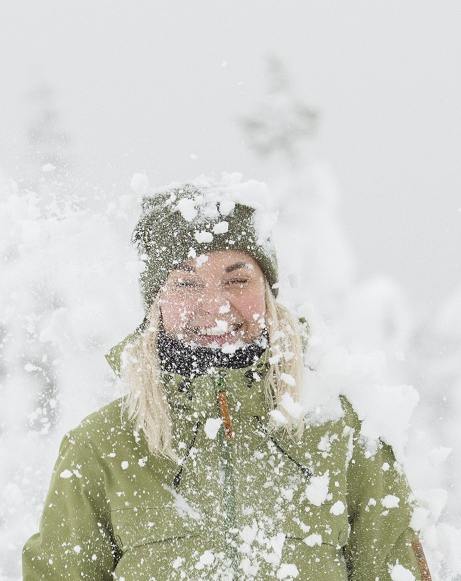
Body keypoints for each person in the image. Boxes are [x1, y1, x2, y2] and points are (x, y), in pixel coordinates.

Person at [22, 183, 430, 580]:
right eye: (185, 283)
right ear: (156, 300)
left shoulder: (341, 432)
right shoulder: (102, 446)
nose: (215, 305)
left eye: (237, 280)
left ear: (267, 292)